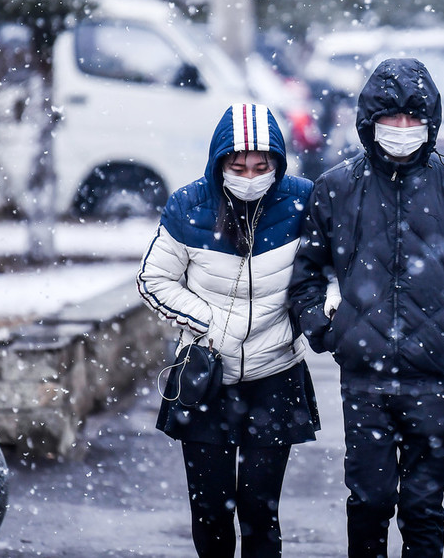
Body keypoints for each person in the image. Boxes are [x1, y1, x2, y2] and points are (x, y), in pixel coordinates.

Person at [289, 57, 444, 557]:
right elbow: (307, 272)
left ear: (430, 122)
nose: (403, 129)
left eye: (414, 119)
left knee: (423, 507)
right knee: (368, 502)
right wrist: (326, 328)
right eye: (392, 118)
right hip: (364, 379)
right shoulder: (338, 188)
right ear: (370, 123)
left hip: (433, 378)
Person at [137, 102, 320, 558]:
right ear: (219, 162)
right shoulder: (189, 206)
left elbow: (328, 270)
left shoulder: (302, 201)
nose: (250, 174)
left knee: (261, 509)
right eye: (238, 165)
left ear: (278, 163)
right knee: (211, 511)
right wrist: (209, 323)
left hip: (275, 373)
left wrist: (320, 310)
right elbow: (153, 279)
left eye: (262, 165)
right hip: (206, 377)